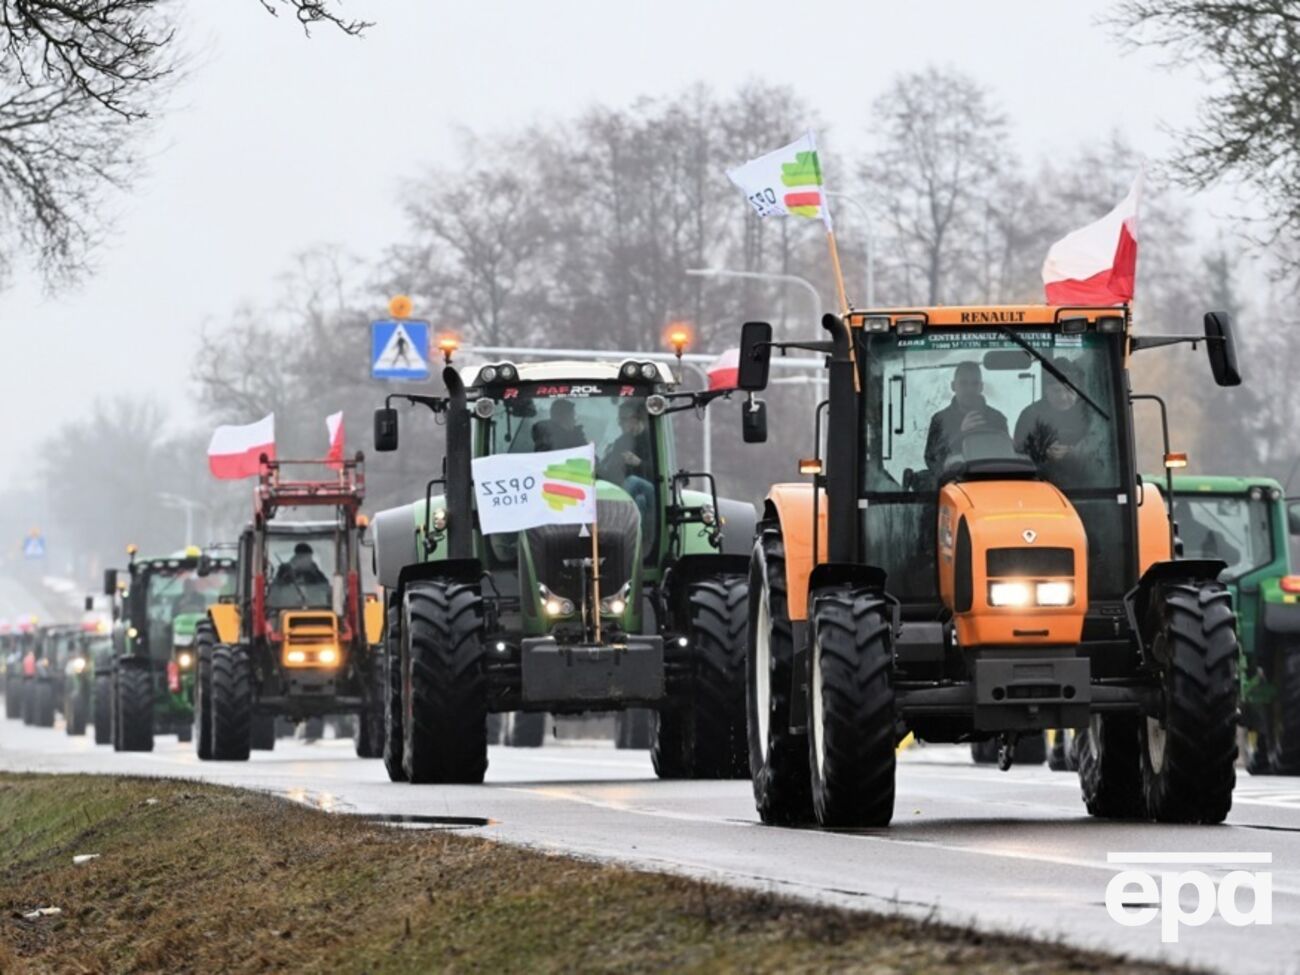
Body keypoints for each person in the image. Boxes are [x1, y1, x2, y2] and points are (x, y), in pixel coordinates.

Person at [1013, 360, 1097, 481]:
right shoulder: (1029, 415)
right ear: (1046, 391)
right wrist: (1043, 453)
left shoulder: (1090, 414)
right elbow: (1019, 451)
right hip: (1039, 480)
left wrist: (1071, 453)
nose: (1063, 397)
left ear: (1077, 389)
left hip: (1086, 482)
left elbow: (1101, 447)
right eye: (1056, 391)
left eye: (1069, 390)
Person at [924, 361, 1009, 473]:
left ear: (981, 387)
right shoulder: (940, 420)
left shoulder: (997, 419)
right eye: (963, 383)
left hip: (990, 483)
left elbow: (1006, 459)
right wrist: (960, 434)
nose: (969, 389)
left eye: (974, 383)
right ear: (953, 386)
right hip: (952, 484)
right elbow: (932, 461)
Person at [598, 401, 655, 547]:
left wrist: (639, 463)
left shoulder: (652, 439)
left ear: (636, 419)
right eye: (619, 420)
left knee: (633, 481)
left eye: (622, 420)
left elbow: (659, 472)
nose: (619, 424)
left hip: (653, 491)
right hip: (631, 494)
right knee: (639, 501)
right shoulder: (621, 442)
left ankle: (613, 524)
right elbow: (610, 473)